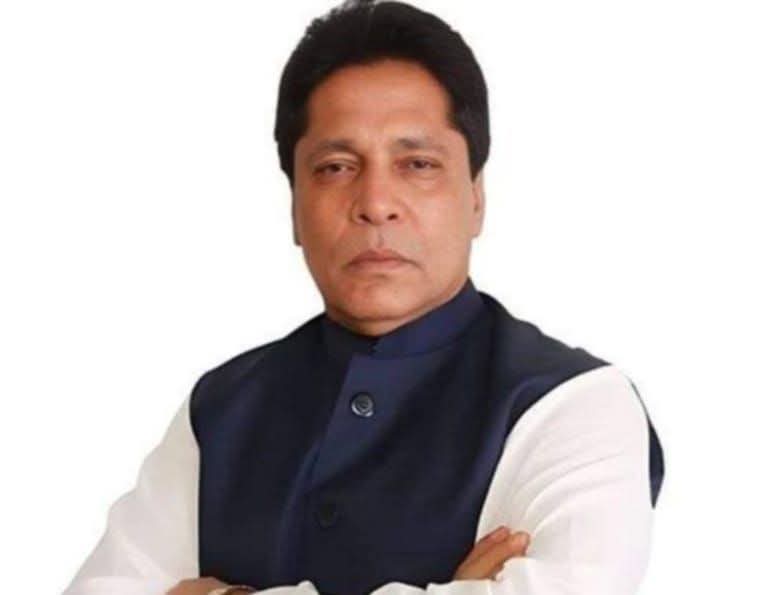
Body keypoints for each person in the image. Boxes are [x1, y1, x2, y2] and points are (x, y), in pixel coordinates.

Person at [63, 1, 665, 594]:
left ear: (476, 197)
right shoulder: (220, 411)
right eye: (335, 167)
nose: (376, 203)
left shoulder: (573, 404)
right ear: (294, 206)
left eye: (417, 163)